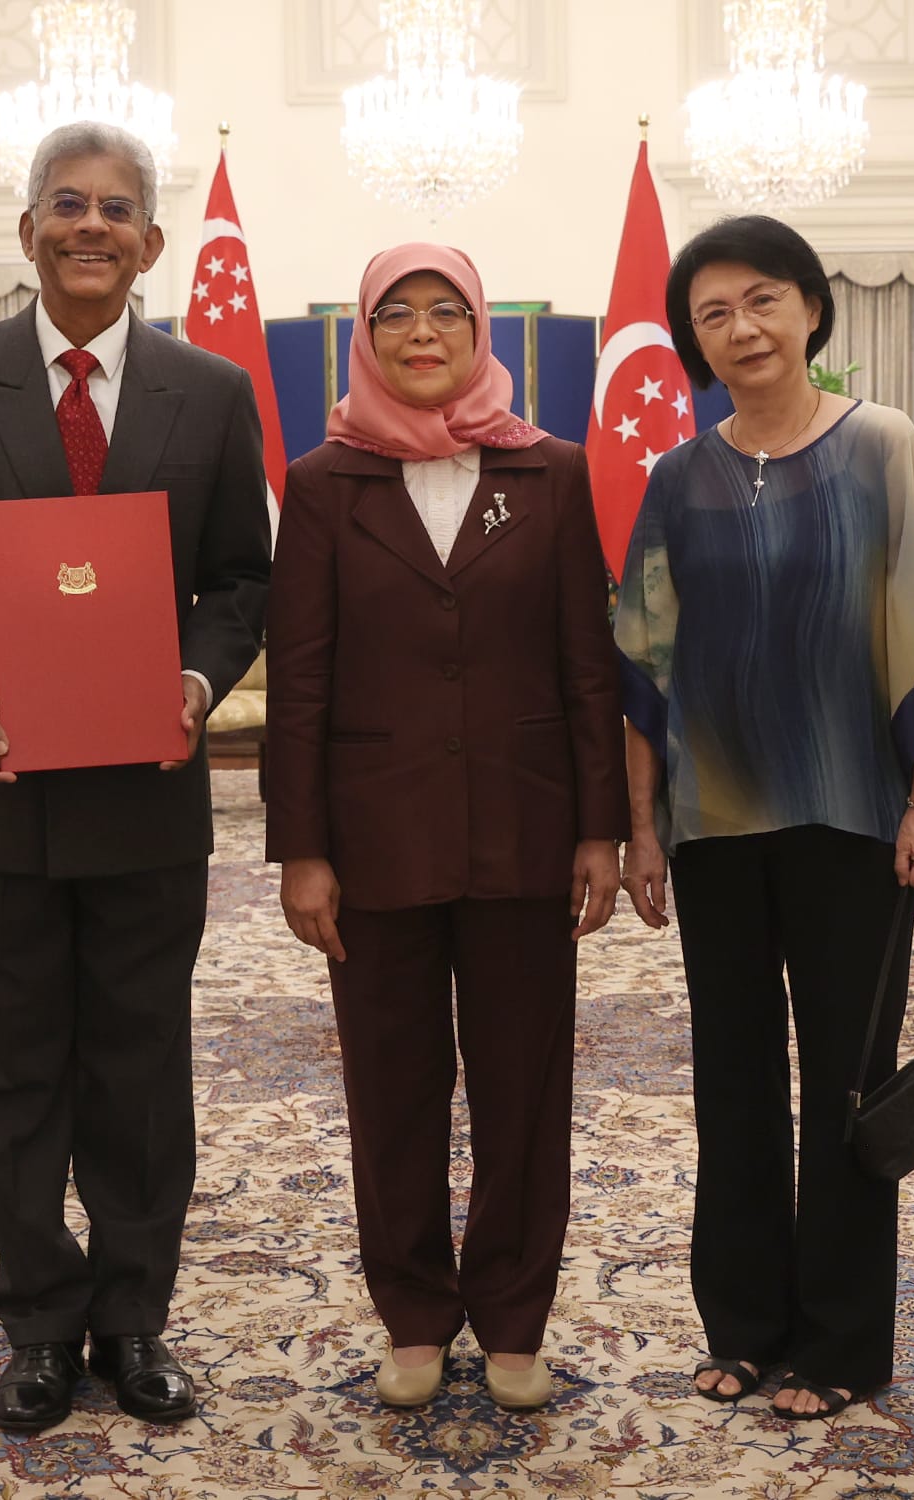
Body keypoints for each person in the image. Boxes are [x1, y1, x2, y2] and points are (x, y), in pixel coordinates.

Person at [0, 121, 270, 1434]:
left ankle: (133, 1317)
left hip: (147, 799)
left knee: (140, 1068)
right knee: (10, 1066)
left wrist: (194, 685)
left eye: (118, 210)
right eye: (66, 206)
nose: (92, 227)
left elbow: (243, 582)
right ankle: (38, 1316)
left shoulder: (210, 394)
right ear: (27, 232)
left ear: (152, 243)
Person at [614, 215, 914, 1420]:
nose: (742, 328)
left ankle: (836, 1344)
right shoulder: (677, 479)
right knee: (732, 1084)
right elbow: (644, 669)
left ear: (813, 309)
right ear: (695, 342)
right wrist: (642, 827)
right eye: (713, 314)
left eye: (763, 300)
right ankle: (744, 1326)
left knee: (844, 1080)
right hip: (717, 825)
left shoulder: (882, 447)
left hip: (850, 817)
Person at [265, 244, 628, 1411]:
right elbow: (301, 681)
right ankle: (415, 1314)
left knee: (523, 1086)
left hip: (526, 832)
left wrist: (601, 829)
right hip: (375, 839)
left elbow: (588, 666)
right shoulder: (324, 482)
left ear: (482, 333)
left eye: (447, 313)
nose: (424, 334)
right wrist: (302, 849)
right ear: (365, 338)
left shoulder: (554, 472)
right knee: (394, 1086)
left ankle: (515, 1315)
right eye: (398, 316)